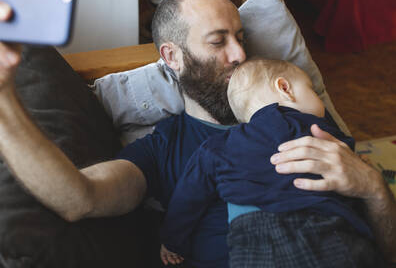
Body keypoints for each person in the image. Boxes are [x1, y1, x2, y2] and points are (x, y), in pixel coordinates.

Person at [0, 0, 396, 267]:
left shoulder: (303, 114)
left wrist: (374, 190)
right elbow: (78, 198)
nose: (240, 53)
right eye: (218, 42)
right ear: (172, 57)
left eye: (240, 36)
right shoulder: (165, 145)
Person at [159, 58, 384, 267]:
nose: (320, 101)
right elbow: (351, 171)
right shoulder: (317, 128)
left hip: (253, 240)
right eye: (312, 91)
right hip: (327, 228)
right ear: (285, 88)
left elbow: (188, 197)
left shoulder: (220, 145)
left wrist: (172, 240)